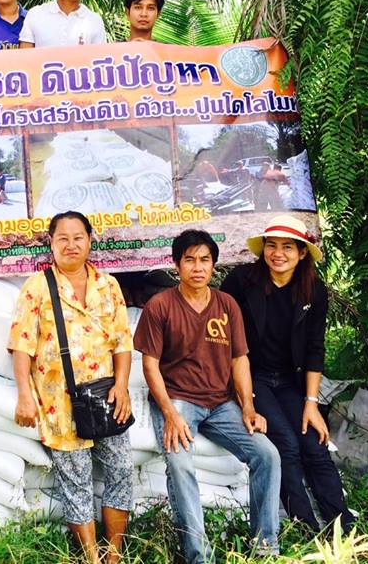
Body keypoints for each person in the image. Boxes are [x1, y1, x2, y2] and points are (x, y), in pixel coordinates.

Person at [133, 230, 281, 564]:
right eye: (190, 260)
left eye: (205, 260)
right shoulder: (160, 306)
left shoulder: (227, 305)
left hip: (221, 403)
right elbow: (150, 365)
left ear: (214, 264)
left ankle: (265, 546)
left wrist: (248, 407)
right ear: (176, 265)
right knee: (180, 464)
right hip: (178, 400)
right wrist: (170, 413)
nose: (198, 267)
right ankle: (198, 556)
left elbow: (239, 359)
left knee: (268, 455)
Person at [9, 211, 133, 564]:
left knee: (122, 470)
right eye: (62, 238)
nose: (71, 245)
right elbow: (21, 345)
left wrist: (122, 386)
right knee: (75, 480)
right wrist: (24, 395)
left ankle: (114, 554)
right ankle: (91, 557)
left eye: (78, 237)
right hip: (59, 403)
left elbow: (122, 341)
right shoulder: (37, 287)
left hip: (107, 398)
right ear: (51, 243)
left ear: (90, 240)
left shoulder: (108, 285)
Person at [220, 215, 355, 535]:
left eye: (287, 247)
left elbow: (315, 349)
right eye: (272, 245)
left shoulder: (313, 291)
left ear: (302, 253)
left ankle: (343, 526)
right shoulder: (241, 281)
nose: (277, 253)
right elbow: (223, 337)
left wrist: (311, 403)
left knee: (314, 443)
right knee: (286, 444)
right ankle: (306, 528)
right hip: (253, 376)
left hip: (291, 381)